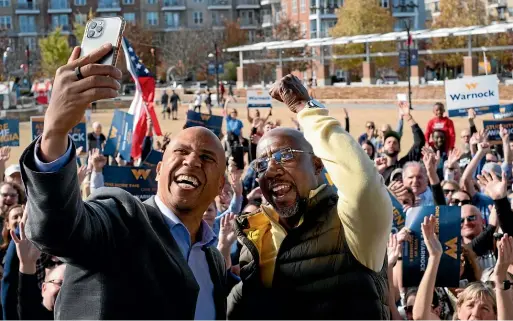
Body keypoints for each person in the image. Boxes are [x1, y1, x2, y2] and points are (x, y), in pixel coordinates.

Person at [20, 44, 230, 319]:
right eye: (180, 152)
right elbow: (58, 231)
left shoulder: (213, 261)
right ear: (157, 170)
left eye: (206, 157)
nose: (191, 162)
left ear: (220, 185)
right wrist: (55, 133)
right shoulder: (121, 218)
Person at [227, 75, 393, 319]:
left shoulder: (351, 222)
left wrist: (306, 108)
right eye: (261, 164)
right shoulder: (255, 235)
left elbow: (362, 184)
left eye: (285, 156)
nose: (271, 170)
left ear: (317, 165)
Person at [379, 102, 426, 185]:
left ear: (399, 148)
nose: (391, 144)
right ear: (383, 147)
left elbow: (420, 141)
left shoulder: (404, 165)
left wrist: (408, 116)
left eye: (395, 143)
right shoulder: (377, 168)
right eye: (388, 142)